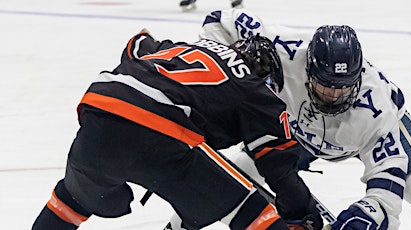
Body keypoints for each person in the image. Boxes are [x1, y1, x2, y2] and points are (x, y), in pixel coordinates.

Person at [194, 8, 411, 229]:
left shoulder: (376, 109)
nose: (334, 95)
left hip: (354, 136)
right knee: (236, 172)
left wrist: (368, 215)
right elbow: (219, 20)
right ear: (309, 69)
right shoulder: (286, 49)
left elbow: (387, 189)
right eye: (326, 85)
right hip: (295, 125)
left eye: (343, 87)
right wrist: (232, 75)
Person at [31, 29, 308, 230]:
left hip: (100, 107)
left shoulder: (182, 49)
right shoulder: (254, 89)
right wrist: (299, 214)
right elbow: (279, 165)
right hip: (159, 129)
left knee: (71, 201)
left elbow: (137, 44)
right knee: (252, 214)